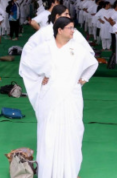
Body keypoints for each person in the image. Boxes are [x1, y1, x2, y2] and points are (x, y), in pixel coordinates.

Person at [19, 17, 98, 178]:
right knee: (49, 132)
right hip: (50, 95)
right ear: (59, 30)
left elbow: (93, 63)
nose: (72, 31)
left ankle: (70, 172)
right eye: (69, 28)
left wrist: (84, 79)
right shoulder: (45, 47)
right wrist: (39, 79)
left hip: (71, 96)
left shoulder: (77, 48)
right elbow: (27, 64)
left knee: (72, 132)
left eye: (73, 28)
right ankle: (48, 172)